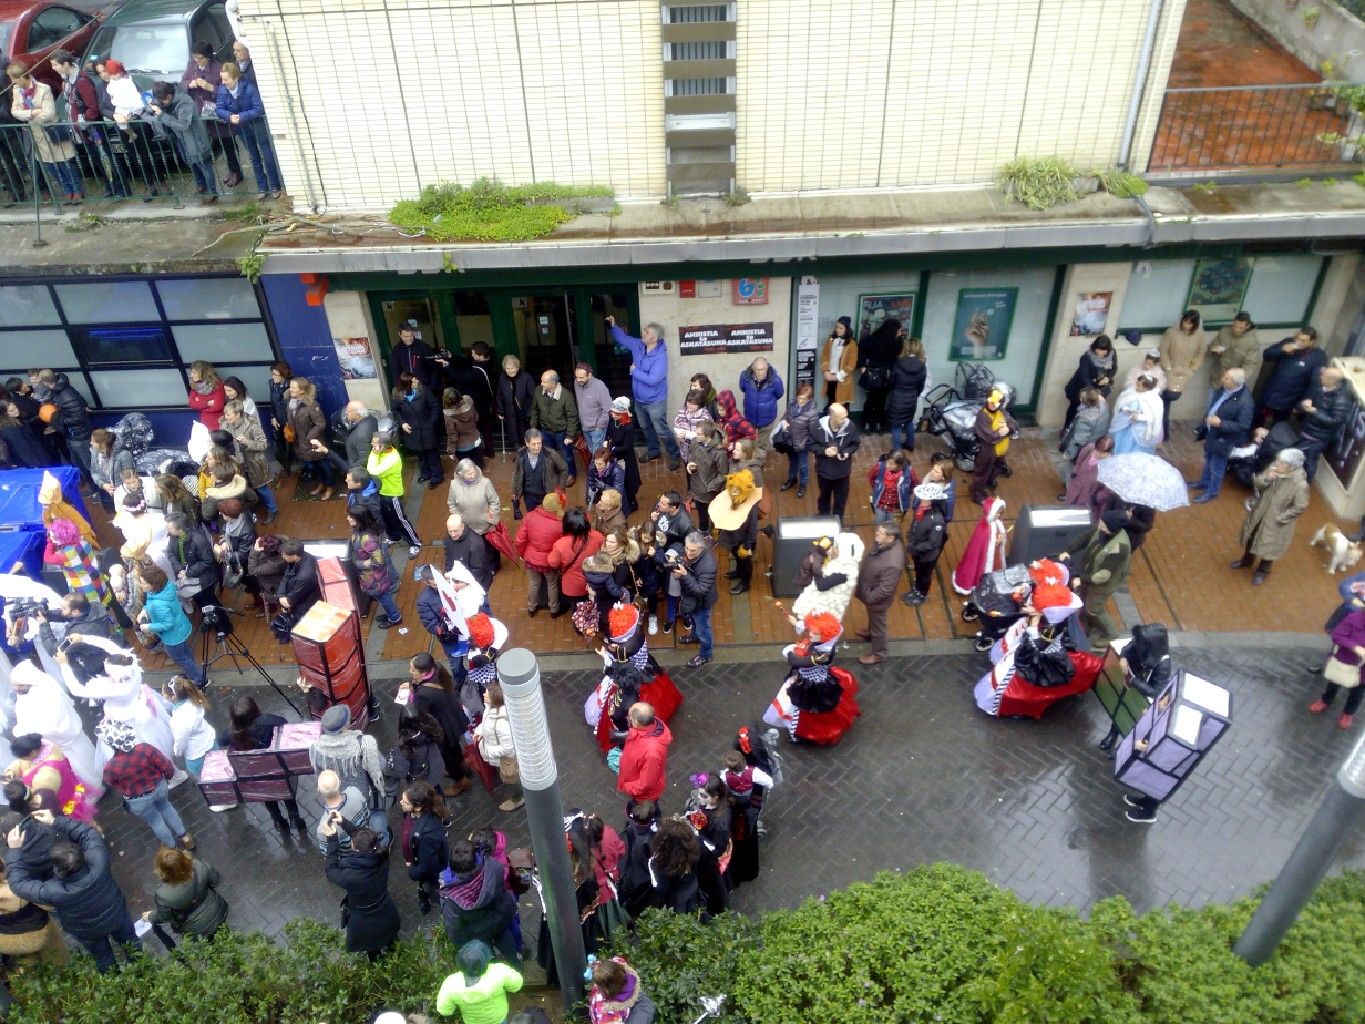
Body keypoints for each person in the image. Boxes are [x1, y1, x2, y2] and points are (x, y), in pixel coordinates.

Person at [4, 817, 138, 973]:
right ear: (82, 853)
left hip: (86, 930)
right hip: (117, 915)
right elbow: (88, 833)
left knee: (103, 958)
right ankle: (143, 971)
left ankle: (119, 985)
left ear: (57, 869)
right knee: (133, 944)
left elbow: (18, 884)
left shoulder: (53, 891)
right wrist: (55, 821)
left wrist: (14, 849)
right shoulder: (99, 860)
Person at [764, 612, 861, 745]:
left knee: (797, 708)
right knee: (798, 708)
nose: (810, 634)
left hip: (811, 686)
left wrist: (790, 652)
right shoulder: (826, 641)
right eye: (811, 630)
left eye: (815, 633)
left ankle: (796, 735)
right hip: (809, 679)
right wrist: (797, 623)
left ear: (824, 635)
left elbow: (798, 663)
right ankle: (797, 732)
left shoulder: (822, 653)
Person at [97, 719, 193, 851]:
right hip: (159, 787)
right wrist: (169, 776)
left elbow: (113, 783)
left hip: (138, 800)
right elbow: (165, 765)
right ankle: (185, 837)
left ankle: (174, 848)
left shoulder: (111, 766)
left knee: (155, 820)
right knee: (166, 807)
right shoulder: (145, 749)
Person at [606, 314, 679, 468]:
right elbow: (624, 339)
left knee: (661, 430)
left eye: (646, 332)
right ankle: (653, 451)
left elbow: (653, 380)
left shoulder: (660, 357)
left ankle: (675, 455)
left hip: (655, 400)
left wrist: (635, 371)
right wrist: (614, 325)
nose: (643, 333)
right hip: (640, 399)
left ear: (654, 338)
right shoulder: (638, 345)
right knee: (646, 427)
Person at [322, 817, 400, 961]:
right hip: (385, 909)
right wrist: (344, 822)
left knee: (372, 948)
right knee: (391, 938)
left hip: (364, 920)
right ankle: (396, 952)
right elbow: (365, 839)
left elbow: (330, 870)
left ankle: (377, 962)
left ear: (356, 849)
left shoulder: (350, 876)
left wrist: (332, 839)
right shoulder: (382, 855)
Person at [7, 63, 82, 205]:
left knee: (64, 162)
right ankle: (67, 191)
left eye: (14, 79)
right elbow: (14, 112)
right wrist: (33, 112)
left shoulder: (44, 89)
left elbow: (49, 113)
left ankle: (77, 190)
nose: (12, 83)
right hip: (37, 134)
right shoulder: (17, 90)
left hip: (52, 130)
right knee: (50, 165)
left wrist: (28, 117)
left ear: (23, 77)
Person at [1234, 448, 1310, 586]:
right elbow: (1258, 483)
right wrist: (1267, 479)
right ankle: (1247, 560)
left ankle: (1263, 571)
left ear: (1291, 467)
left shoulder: (1299, 485)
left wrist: (1281, 518)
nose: (1277, 463)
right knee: (1252, 536)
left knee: (1271, 548)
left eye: (1281, 462)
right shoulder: (1273, 469)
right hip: (1260, 513)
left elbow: (1300, 506)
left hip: (1277, 522)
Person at [1061, 508, 1132, 650]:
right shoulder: (1103, 530)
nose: (1100, 526)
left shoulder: (1120, 547)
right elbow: (1085, 538)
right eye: (1101, 522)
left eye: (1103, 525)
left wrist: (1082, 579)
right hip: (1090, 575)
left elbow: (1104, 575)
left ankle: (1110, 634)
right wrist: (1068, 550)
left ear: (1112, 528)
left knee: (1094, 609)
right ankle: (1087, 626)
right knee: (1085, 601)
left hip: (1102, 584)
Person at [439, 838, 519, 961]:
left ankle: (491, 968)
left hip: (478, 932)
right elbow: (505, 893)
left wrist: (462, 943)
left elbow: (454, 927)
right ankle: (516, 965)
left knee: (485, 954)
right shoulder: (493, 868)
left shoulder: (451, 897)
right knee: (505, 938)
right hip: (499, 919)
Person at [407, 654, 473, 798]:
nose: (410, 671)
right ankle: (462, 766)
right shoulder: (438, 671)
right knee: (454, 747)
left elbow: (419, 713)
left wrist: (410, 694)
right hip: (451, 719)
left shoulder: (423, 694)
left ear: (424, 673)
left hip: (441, 726)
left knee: (446, 755)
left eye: (413, 669)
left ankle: (460, 781)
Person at [215, 61, 282, 200]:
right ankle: (263, 187)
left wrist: (240, 116)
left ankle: (275, 185)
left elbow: (258, 109)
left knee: (267, 155)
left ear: (235, 78)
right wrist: (229, 116)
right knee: (253, 156)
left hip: (256, 124)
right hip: (242, 127)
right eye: (222, 79)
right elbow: (219, 108)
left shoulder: (249, 88)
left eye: (226, 79)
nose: (223, 82)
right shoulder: (222, 90)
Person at [145, 82, 218, 205]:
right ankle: (201, 185)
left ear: (169, 96)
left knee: (203, 165)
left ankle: (213, 192)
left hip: (195, 139)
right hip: (181, 138)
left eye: (162, 101)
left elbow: (184, 125)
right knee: (190, 162)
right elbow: (151, 108)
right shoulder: (166, 100)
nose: (160, 103)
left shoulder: (184, 102)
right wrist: (153, 107)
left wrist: (162, 115)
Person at [135, 564, 208, 686]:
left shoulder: (158, 604)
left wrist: (148, 627)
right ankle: (192, 671)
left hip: (172, 638)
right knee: (185, 653)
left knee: (181, 658)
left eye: (143, 583)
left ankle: (200, 680)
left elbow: (168, 624)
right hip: (182, 627)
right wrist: (144, 610)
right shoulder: (165, 587)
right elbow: (150, 601)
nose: (140, 585)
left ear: (152, 584)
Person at [1190, 368, 1254, 504]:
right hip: (1213, 434)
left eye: (1227, 378)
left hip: (1224, 439)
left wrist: (1221, 424)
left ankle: (1212, 492)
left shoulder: (1246, 402)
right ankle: (1204, 482)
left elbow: (1243, 425)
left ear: (1236, 383)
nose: (1223, 379)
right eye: (1224, 376)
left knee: (1217, 466)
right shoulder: (1224, 389)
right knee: (1208, 459)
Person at [144, 847, 228, 945]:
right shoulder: (199, 865)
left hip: (195, 929)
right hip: (217, 910)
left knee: (207, 947)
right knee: (224, 934)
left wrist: (150, 916)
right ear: (183, 858)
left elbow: (164, 916)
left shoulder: (163, 894)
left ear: (162, 871)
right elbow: (215, 880)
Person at [4, 734, 95, 823]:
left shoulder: (48, 772)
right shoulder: (41, 746)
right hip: (71, 789)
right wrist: (12, 771)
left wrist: (17, 789)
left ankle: (94, 832)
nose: (22, 759)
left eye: (23, 757)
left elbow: (39, 793)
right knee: (83, 819)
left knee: (79, 821)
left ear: (32, 752)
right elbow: (21, 762)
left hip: (64, 801)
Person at [310, 704, 386, 806]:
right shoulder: (364, 743)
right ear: (346, 724)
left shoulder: (315, 748)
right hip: (362, 794)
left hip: (336, 797)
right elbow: (383, 766)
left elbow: (320, 775)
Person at [437, 940, 524, 1024]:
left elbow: (444, 1010)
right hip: (498, 1019)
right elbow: (517, 984)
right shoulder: (499, 971)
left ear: (460, 961)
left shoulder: (451, 984)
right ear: (486, 958)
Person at [854, 521, 902, 666]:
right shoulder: (887, 545)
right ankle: (870, 632)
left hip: (876, 600)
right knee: (874, 619)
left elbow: (885, 588)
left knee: (879, 626)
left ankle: (879, 654)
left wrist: (869, 597)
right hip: (871, 592)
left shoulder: (893, 563)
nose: (876, 533)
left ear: (891, 538)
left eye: (880, 533)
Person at [222, 400, 278, 523]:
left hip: (255, 463)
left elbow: (263, 444)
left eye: (228, 415)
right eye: (225, 414)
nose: (225, 417)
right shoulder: (225, 425)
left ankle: (273, 510)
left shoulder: (252, 425)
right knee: (244, 488)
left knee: (262, 488)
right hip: (238, 464)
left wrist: (248, 443)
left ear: (237, 414)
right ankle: (251, 509)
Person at [368, 431, 423, 556]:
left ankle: (415, 543)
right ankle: (394, 537)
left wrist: (373, 453)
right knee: (387, 517)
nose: (371, 445)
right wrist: (375, 452)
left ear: (382, 446)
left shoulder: (392, 459)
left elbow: (373, 470)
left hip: (393, 494)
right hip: (383, 491)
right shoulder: (382, 452)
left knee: (400, 520)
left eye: (374, 444)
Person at [1260, 326, 1326, 427]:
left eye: (1303, 341)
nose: (1299, 342)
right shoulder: (1288, 342)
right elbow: (1267, 355)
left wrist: (1301, 405)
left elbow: (1315, 383)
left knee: (1277, 427)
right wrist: (1281, 349)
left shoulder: (1318, 356)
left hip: (1289, 400)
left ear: (1312, 342)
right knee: (1257, 421)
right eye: (1298, 338)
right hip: (1270, 393)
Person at [399, 781, 448, 915]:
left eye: (405, 802)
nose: (401, 803)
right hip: (415, 858)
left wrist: (412, 871)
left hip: (423, 869)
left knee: (430, 886)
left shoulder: (428, 834)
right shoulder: (411, 813)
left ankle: (434, 900)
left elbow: (428, 866)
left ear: (418, 807)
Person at [1311, 605, 1365, 729]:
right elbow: (1337, 635)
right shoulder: (1354, 618)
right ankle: (1326, 700)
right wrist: (1355, 648)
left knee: (1358, 691)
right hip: (1344, 661)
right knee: (1334, 682)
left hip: (1363, 670)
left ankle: (1348, 713)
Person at [349, 506, 403, 628]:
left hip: (375, 578)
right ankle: (391, 614)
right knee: (382, 597)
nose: (348, 518)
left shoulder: (367, 539)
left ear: (358, 519)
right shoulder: (360, 530)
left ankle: (395, 617)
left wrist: (358, 564)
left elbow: (378, 561)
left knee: (384, 597)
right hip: (372, 577)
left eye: (350, 516)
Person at [161, 676, 219, 786]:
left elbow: (181, 740)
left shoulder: (179, 719)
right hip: (210, 741)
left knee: (203, 777)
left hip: (196, 754)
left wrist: (177, 752)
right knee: (217, 767)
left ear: (173, 696)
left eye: (164, 693)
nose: (162, 695)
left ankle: (217, 795)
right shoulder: (194, 700)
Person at [517, 490, 567, 616]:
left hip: (531, 558)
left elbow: (520, 539)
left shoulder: (530, 516)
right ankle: (554, 609)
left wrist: (522, 553)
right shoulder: (560, 524)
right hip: (549, 561)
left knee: (534, 583)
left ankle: (531, 607)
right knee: (552, 584)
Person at [711, 470, 761, 596]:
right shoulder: (730, 497)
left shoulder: (751, 507)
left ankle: (745, 583)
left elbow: (752, 529)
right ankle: (739, 571)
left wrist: (747, 546)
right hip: (731, 536)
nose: (733, 491)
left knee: (745, 560)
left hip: (743, 540)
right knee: (735, 555)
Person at [1158, 309, 1206, 440]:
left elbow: (1201, 354)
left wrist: (1192, 370)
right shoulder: (1172, 332)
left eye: (1190, 323)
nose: (1186, 325)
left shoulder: (1199, 335)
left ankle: (1163, 432)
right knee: (1164, 401)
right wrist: (1167, 368)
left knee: (1170, 397)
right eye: (1185, 322)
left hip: (1184, 373)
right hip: (1168, 370)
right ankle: (1163, 432)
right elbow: (1163, 351)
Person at [808, 403, 861, 521]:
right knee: (824, 497)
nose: (845, 419)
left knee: (841, 500)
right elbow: (810, 444)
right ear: (832, 417)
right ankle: (824, 517)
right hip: (824, 471)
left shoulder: (850, 426)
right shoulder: (817, 427)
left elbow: (855, 443)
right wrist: (824, 451)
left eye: (846, 416)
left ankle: (838, 521)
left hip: (843, 472)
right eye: (842, 417)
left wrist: (847, 452)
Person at [476, 682, 523, 812]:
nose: (483, 693)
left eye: (487, 693)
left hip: (503, 758)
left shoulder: (502, 723)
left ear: (495, 698)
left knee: (511, 779)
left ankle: (517, 798)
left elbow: (508, 748)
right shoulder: (491, 707)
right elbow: (487, 724)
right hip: (495, 754)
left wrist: (489, 751)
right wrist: (480, 731)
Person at [674, 531, 718, 668]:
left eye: (693, 550)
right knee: (694, 621)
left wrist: (685, 575)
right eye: (686, 548)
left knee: (703, 630)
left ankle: (706, 655)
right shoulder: (689, 553)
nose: (688, 552)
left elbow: (700, 590)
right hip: (691, 599)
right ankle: (694, 636)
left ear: (702, 548)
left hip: (702, 603)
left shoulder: (708, 565)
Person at [617, 703, 672, 810]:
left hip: (643, 796)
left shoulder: (652, 753)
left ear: (636, 722)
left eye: (630, 717)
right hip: (635, 784)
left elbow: (646, 784)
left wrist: (626, 786)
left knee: (643, 814)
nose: (628, 718)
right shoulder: (648, 727)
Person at [905, 481, 951, 608]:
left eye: (926, 498)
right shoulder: (921, 509)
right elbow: (916, 525)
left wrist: (916, 548)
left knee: (924, 575)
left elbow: (933, 543)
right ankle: (916, 589)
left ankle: (921, 594)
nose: (922, 499)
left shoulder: (937, 520)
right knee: (919, 572)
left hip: (926, 555)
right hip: (917, 551)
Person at [288, 376, 335, 501]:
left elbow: (321, 424)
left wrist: (309, 438)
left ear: (302, 390)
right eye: (290, 386)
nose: (290, 389)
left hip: (313, 442)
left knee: (323, 464)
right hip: (300, 442)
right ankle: (321, 484)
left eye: (293, 387)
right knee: (315, 464)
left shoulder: (312, 404)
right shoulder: (292, 403)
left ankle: (330, 486)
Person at [393, 372, 444, 486]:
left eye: (416, 379)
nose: (417, 382)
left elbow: (435, 407)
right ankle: (425, 474)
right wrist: (402, 423)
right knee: (421, 456)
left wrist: (431, 422)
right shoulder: (398, 395)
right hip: (412, 431)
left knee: (432, 455)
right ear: (407, 384)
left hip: (427, 429)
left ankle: (437, 477)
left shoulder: (424, 391)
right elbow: (396, 411)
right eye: (414, 381)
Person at [548, 507, 604, 608]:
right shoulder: (597, 537)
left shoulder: (561, 544)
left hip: (573, 584)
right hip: (594, 580)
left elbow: (553, 562)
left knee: (577, 608)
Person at [970, 388, 1017, 505]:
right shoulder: (983, 415)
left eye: (996, 403)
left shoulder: (1001, 411)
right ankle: (977, 493)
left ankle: (989, 481)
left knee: (998, 467)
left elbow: (1013, 423)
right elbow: (990, 436)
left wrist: (1008, 428)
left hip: (1000, 450)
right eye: (991, 402)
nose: (992, 405)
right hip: (987, 450)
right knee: (982, 471)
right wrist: (1006, 432)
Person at [167, 512, 220, 615]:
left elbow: (207, 560)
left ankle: (223, 626)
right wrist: (179, 569)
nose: (167, 530)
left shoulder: (198, 540)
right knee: (198, 600)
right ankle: (207, 619)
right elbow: (170, 552)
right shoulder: (173, 537)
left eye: (170, 527)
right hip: (187, 576)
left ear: (180, 529)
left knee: (209, 602)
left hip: (202, 579)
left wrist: (188, 573)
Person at [1062, 336, 1115, 431]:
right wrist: (1093, 394)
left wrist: (1108, 378)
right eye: (1098, 350)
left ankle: (1085, 433)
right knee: (1075, 408)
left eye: (1104, 351)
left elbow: (1114, 368)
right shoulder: (1087, 357)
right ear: (1094, 348)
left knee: (1093, 412)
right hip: (1081, 389)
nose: (1101, 353)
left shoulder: (1112, 354)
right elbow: (1084, 376)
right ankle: (1067, 430)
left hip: (1099, 389)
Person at [270, 539, 320, 641]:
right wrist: (281, 595)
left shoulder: (304, 576)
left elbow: (291, 600)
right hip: (297, 595)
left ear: (294, 555)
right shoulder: (304, 556)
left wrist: (284, 599)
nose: (282, 557)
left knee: (302, 630)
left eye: (284, 555)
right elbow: (287, 575)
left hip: (306, 604)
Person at [886, 335, 928, 452]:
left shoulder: (899, 362)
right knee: (909, 421)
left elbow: (892, 380)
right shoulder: (922, 364)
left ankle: (897, 451)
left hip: (897, 397)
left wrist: (891, 389)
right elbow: (921, 385)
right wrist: (915, 394)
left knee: (896, 425)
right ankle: (910, 444)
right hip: (912, 398)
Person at [512, 429, 568, 517]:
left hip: (547, 494)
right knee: (532, 517)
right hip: (529, 495)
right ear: (527, 443)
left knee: (548, 517)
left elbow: (564, 469)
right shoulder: (520, 455)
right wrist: (515, 492)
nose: (537, 447)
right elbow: (516, 473)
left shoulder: (550, 454)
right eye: (533, 444)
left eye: (539, 443)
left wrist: (560, 488)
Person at [1207, 311, 1262, 402]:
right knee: (1210, 402)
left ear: (1247, 326)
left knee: (1223, 408)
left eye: (1240, 327)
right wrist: (1214, 349)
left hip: (1232, 382)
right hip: (1217, 375)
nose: (1236, 329)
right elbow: (1211, 346)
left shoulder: (1252, 341)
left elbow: (1249, 365)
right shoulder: (1225, 331)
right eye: (1235, 326)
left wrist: (1237, 379)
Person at [857, 319, 900, 434]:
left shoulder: (871, 339)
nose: (899, 332)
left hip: (872, 374)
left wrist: (862, 366)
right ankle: (878, 424)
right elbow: (894, 361)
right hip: (885, 375)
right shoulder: (894, 343)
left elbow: (861, 351)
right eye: (898, 330)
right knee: (881, 402)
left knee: (870, 400)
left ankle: (866, 423)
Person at [777, 382, 819, 496]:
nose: (801, 401)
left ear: (809, 399)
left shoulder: (812, 412)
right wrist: (783, 421)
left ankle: (803, 484)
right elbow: (786, 415)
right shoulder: (791, 404)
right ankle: (792, 479)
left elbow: (814, 432)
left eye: (804, 399)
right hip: (790, 440)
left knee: (803, 465)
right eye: (799, 397)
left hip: (802, 444)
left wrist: (806, 443)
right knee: (792, 462)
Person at [685, 421, 728, 533]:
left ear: (708, 436)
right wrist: (690, 463)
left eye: (699, 434)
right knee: (701, 511)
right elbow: (691, 454)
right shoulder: (695, 441)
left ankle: (715, 532)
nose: (696, 435)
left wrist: (709, 487)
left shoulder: (719, 453)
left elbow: (723, 475)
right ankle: (703, 529)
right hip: (697, 487)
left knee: (715, 513)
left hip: (711, 491)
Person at [738, 357, 785, 450]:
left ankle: (760, 463)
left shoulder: (776, 380)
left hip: (767, 418)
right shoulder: (745, 377)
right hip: (750, 416)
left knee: (762, 445)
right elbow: (743, 388)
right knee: (749, 442)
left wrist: (767, 404)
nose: (760, 372)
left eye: (762, 369)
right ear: (753, 369)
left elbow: (779, 394)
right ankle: (750, 462)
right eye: (758, 370)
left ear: (767, 367)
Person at [606, 396, 642, 514]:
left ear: (622, 414)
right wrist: (607, 441)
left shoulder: (629, 427)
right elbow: (609, 432)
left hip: (626, 458)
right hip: (614, 455)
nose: (613, 415)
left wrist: (613, 449)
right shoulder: (613, 421)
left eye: (616, 413)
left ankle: (632, 502)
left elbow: (627, 446)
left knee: (628, 481)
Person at [867, 449, 916, 531]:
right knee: (879, 525)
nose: (887, 465)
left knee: (892, 528)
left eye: (891, 464)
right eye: (887, 462)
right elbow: (871, 478)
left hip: (896, 507)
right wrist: (877, 489)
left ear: (899, 465)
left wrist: (905, 494)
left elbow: (914, 484)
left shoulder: (909, 472)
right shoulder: (879, 467)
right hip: (880, 504)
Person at [495, 354, 536, 451]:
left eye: (512, 368)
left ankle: (528, 452)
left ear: (517, 367)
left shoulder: (526, 377)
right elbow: (499, 395)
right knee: (514, 433)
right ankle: (519, 453)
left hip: (524, 411)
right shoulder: (502, 378)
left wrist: (530, 411)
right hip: (510, 411)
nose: (509, 370)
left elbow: (533, 395)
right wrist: (500, 410)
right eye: (507, 368)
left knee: (525, 433)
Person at [444, 512, 492, 591]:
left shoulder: (475, 543)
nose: (452, 535)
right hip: (458, 578)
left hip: (476, 582)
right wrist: (448, 573)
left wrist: (465, 583)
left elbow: (477, 570)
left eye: (455, 531)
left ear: (462, 526)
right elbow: (448, 558)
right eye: (450, 531)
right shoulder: (449, 538)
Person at [1061, 387, 1111, 462]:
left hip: (1085, 449)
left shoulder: (1084, 419)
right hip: (1097, 441)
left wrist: (1068, 455)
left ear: (1085, 401)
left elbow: (1078, 441)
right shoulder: (1104, 405)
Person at [574, 362, 613, 457]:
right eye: (577, 377)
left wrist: (599, 425)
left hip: (597, 428)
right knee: (591, 451)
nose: (578, 380)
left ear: (590, 375)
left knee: (597, 455)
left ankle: (598, 471)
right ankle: (596, 470)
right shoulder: (577, 382)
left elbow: (608, 408)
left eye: (581, 377)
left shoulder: (600, 386)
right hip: (584, 426)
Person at [820, 316, 859, 410]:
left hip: (842, 379)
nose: (838, 330)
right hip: (830, 377)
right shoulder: (831, 340)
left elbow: (851, 365)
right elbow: (824, 356)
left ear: (847, 329)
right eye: (837, 327)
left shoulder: (852, 344)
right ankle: (830, 423)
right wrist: (826, 371)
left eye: (841, 328)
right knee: (831, 401)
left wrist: (836, 377)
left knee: (842, 406)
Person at [672, 389, 714, 465]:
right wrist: (679, 433)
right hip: (685, 450)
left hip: (700, 451)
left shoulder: (705, 417)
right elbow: (676, 425)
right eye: (688, 402)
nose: (689, 405)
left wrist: (686, 434)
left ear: (700, 404)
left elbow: (706, 434)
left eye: (693, 404)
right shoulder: (682, 412)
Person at [443, 391, 484, 469]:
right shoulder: (468, 402)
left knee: (466, 469)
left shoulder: (448, 414)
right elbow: (476, 418)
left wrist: (451, 451)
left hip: (462, 445)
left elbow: (452, 435)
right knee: (478, 465)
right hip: (475, 438)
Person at [341, 401, 379, 472]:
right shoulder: (371, 419)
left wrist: (351, 469)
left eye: (349, 411)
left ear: (358, 414)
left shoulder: (360, 435)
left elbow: (364, 460)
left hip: (360, 471)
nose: (346, 412)